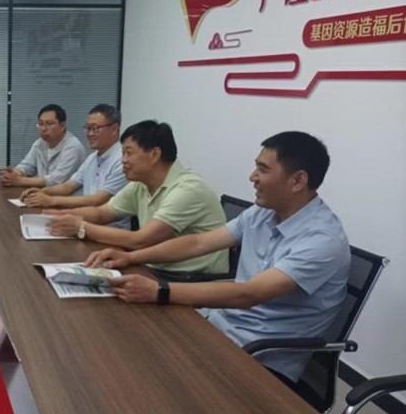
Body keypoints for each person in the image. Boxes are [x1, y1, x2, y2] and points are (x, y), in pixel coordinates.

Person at [97, 131, 349, 384]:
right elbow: (198, 242)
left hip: (261, 357)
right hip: (219, 326)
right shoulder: (262, 213)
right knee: (129, 345)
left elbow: (249, 294)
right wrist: (131, 257)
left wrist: (159, 291)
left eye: (262, 169)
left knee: (147, 374)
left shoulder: (322, 240)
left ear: (297, 181)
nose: (252, 177)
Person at [50, 120, 228, 276]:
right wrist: (58, 216)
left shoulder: (188, 189)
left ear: (154, 154)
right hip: (154, 268)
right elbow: (101, 213)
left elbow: (141, 240)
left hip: (191, 279)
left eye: (129, 153)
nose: (123, 160)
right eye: (123, 153)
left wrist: (82, 227)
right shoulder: (140, 184)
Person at [20, 104, 127, 219]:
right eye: (87, 128)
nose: (90, 134)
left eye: (95, 128)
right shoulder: (92, 158)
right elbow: (68, 186)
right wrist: (43, 191)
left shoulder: (123, 161)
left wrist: (51, 200)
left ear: (114, 129)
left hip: (109, 227)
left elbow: (98, 199)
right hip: (85, 220)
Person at [0, 104, 85, 189]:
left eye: (49, 124)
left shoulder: (73, 147)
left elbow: (56, 180)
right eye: (40, 124)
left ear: (62, 125)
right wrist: (15, 173)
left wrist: (19, 181)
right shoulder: (40, 143)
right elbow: (27, 165)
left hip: (67, 196)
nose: (43, 128)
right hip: (42, 193)